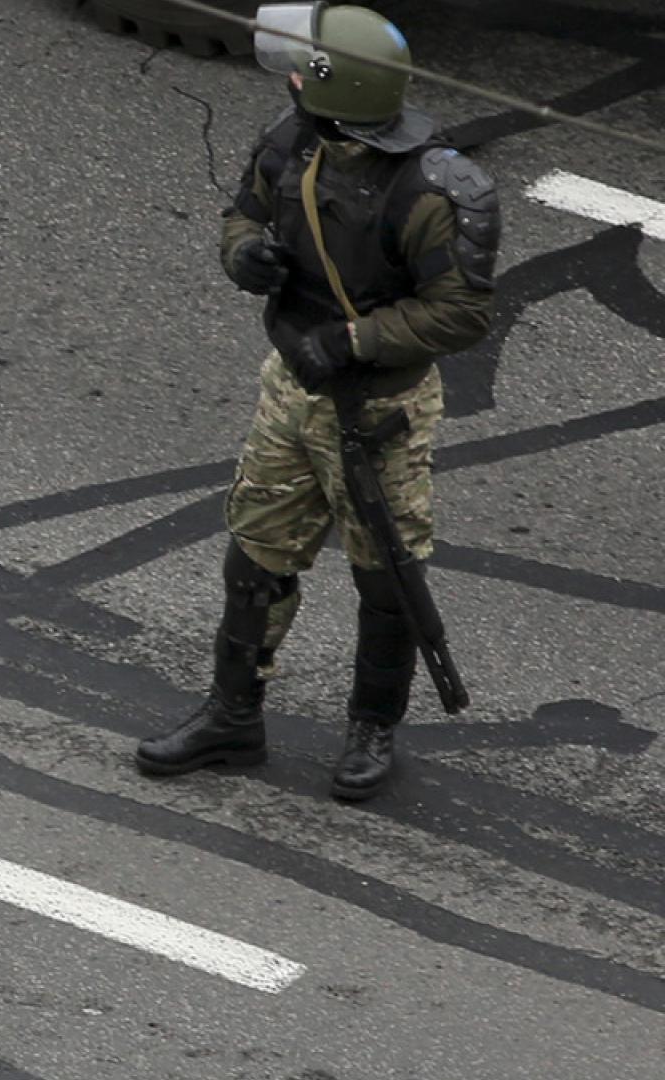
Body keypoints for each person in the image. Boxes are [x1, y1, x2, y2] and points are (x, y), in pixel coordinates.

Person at [134, 4, 500, 800]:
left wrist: (352, 342)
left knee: (387, 579)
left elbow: (463, 311)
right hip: (291, 389)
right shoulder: (293, 140)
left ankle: (372, 729)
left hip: (380, 410)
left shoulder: (438, 190)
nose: (291, 76)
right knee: (257, 554)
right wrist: (246, 256)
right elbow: (244, 213)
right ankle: (232, 715)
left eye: (307, 69)